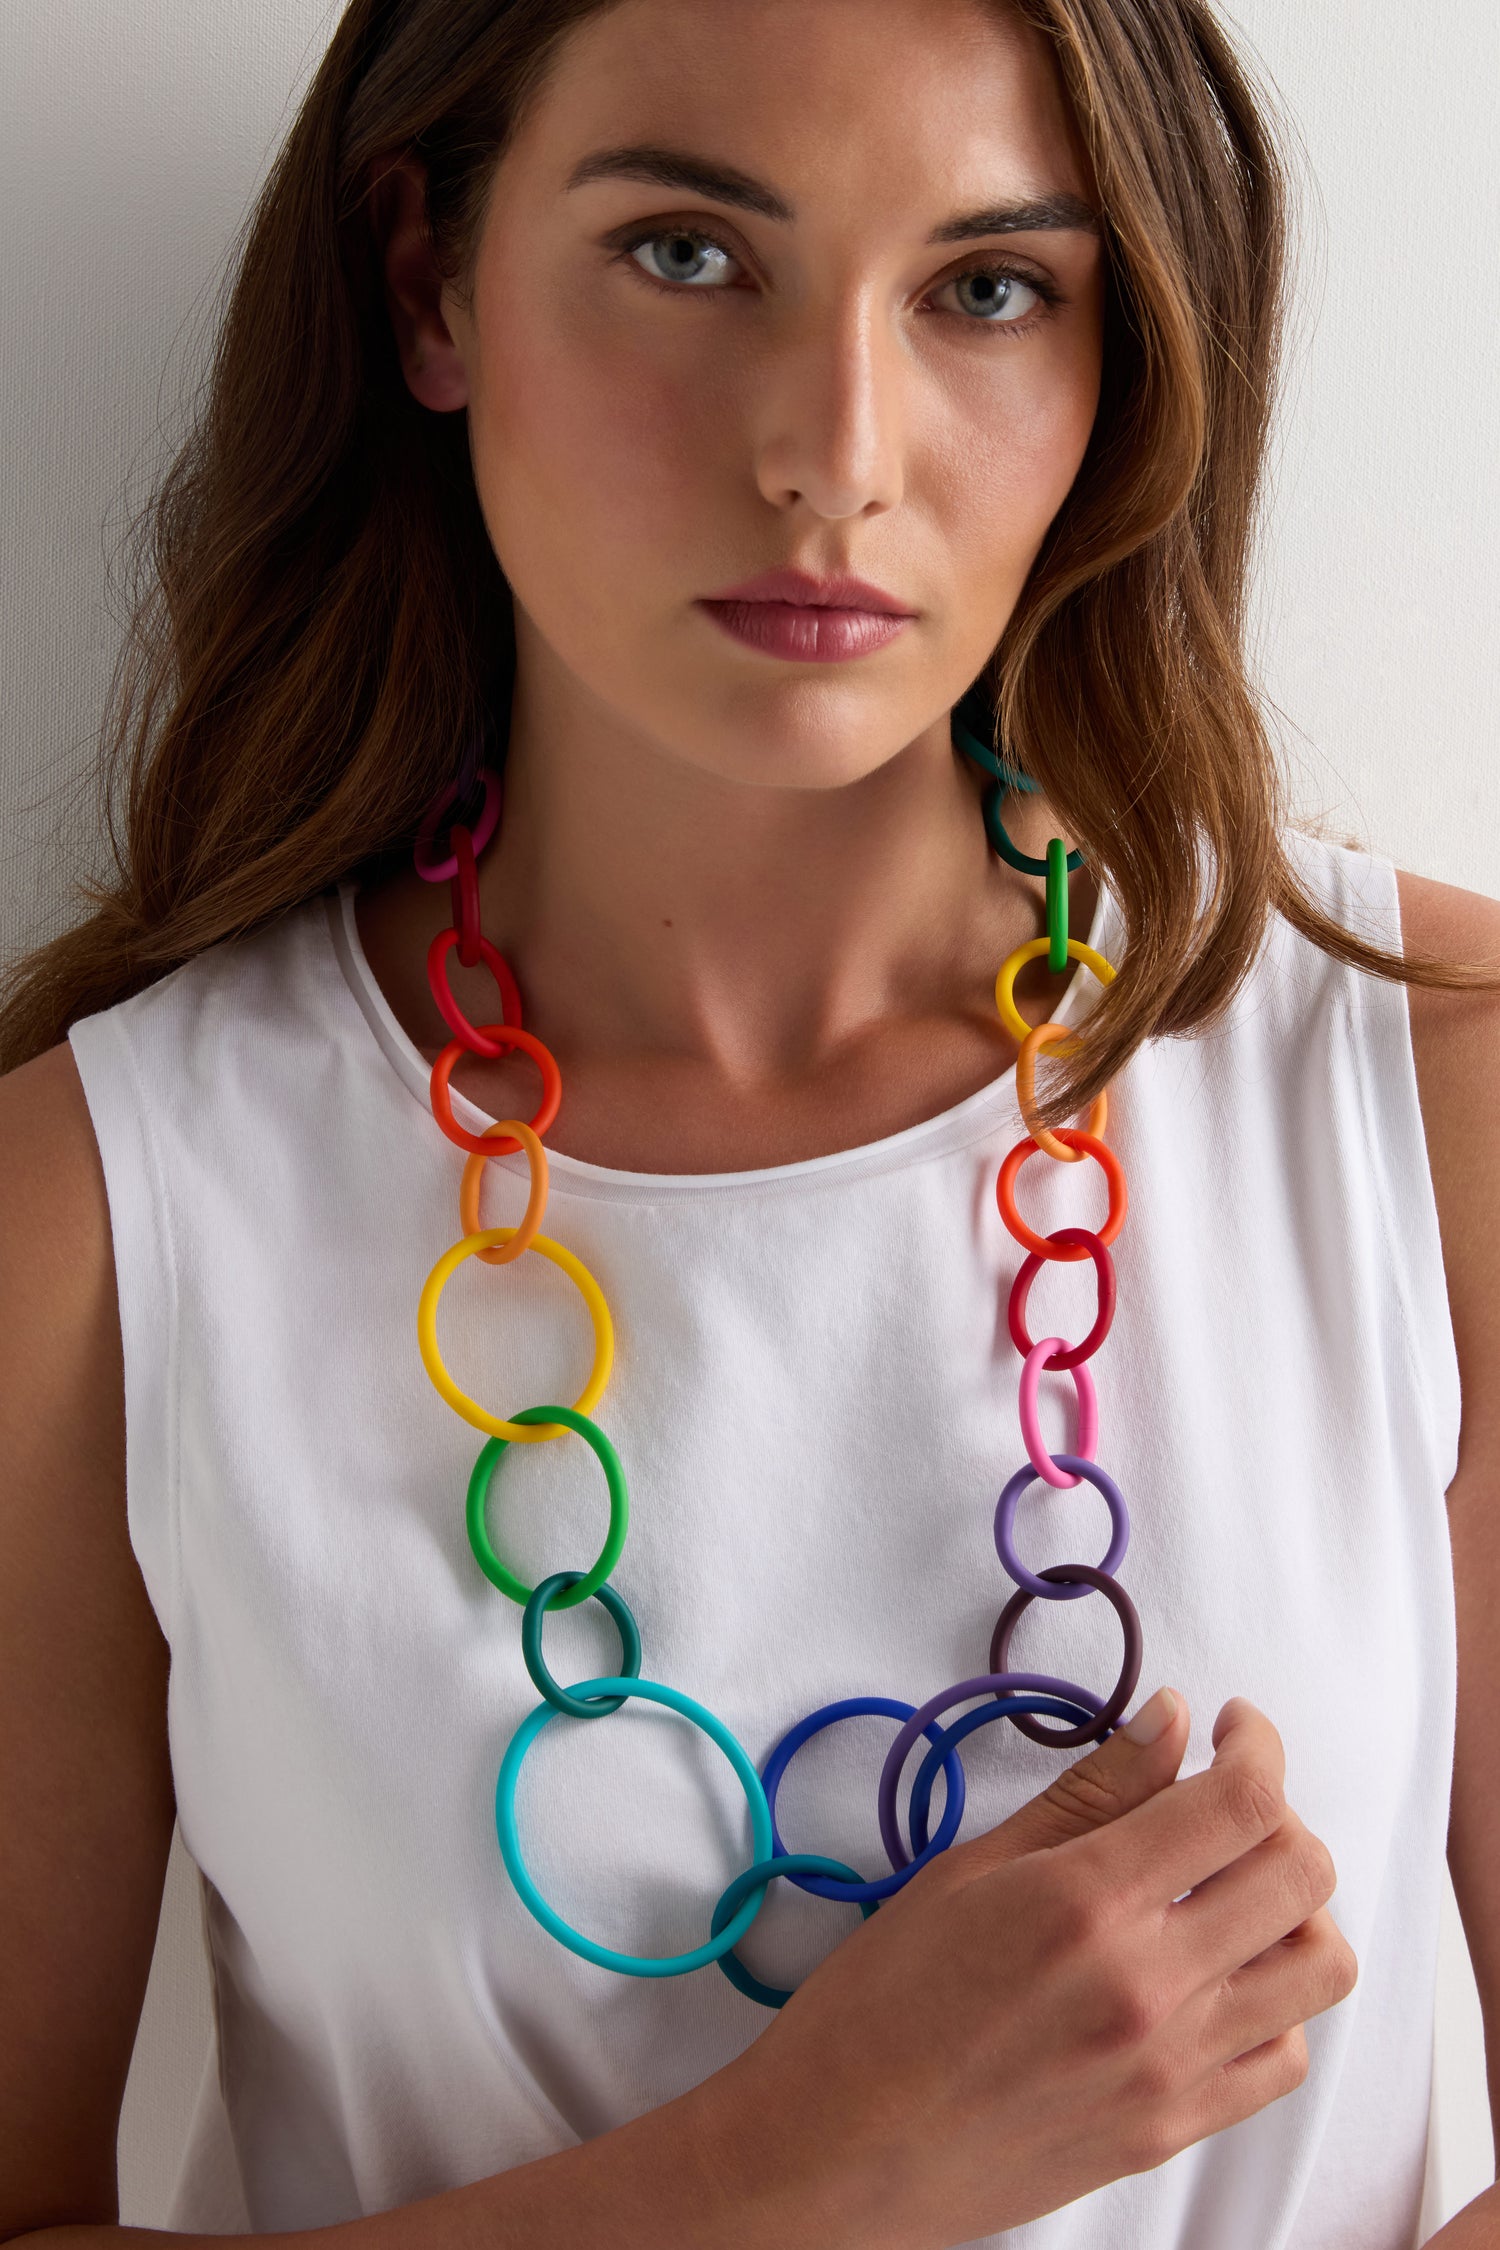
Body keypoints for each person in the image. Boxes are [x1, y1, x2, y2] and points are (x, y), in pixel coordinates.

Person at [1, 0, 1497, 2242]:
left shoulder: (1435, 1080)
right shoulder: (92, 1223)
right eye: (693, 254)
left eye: (989, 289)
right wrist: (810, 2166)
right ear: (428, 284)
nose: (834, 453)